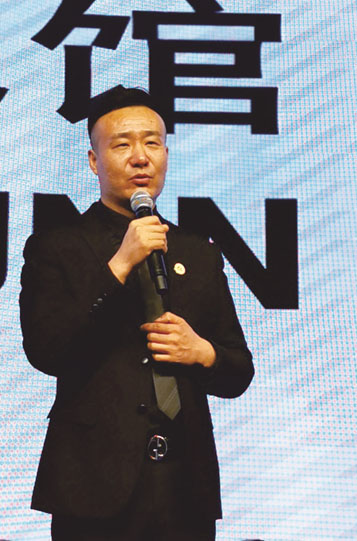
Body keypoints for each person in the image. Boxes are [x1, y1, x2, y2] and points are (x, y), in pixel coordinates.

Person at [19, 86, 254, 540]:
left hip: (185, 488)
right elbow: (47, 350)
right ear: (94, 161)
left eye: (152, 143)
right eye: (122, 145)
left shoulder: (197, 252)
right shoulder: (57, 247)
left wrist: (203, 353)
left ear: (166, 154)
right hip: (93, 484)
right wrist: (120, 265)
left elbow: (238, 371)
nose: (140, 157)